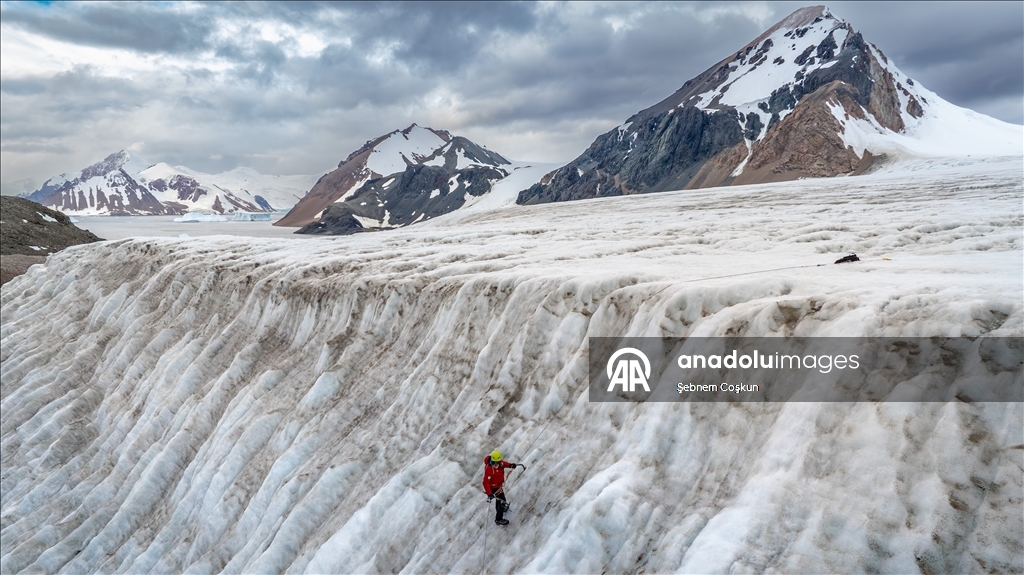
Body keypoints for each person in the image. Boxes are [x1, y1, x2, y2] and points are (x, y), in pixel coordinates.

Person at [483, 450, 519, 526]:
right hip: (493, 488)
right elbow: (486, 482)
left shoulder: (500, 463)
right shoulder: (489, 469)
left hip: (498, 486)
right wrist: (489, 493)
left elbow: (504, 463)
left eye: (498, 462)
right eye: (494, 462)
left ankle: (501, 509)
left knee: (500, 501)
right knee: (502, 501)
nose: (496, 464)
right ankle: (498, 519)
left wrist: (510, 465)